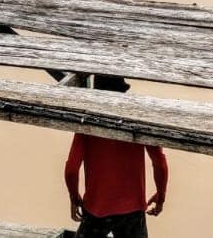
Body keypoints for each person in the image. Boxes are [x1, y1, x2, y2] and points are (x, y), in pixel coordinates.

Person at [64, 74, 169, 238]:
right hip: (132, 210)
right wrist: (161, 195)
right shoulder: (137, 119)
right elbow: (159, 162)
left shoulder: (87, 121)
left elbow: (71, 169)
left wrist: (74, 196)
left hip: (96, 208)